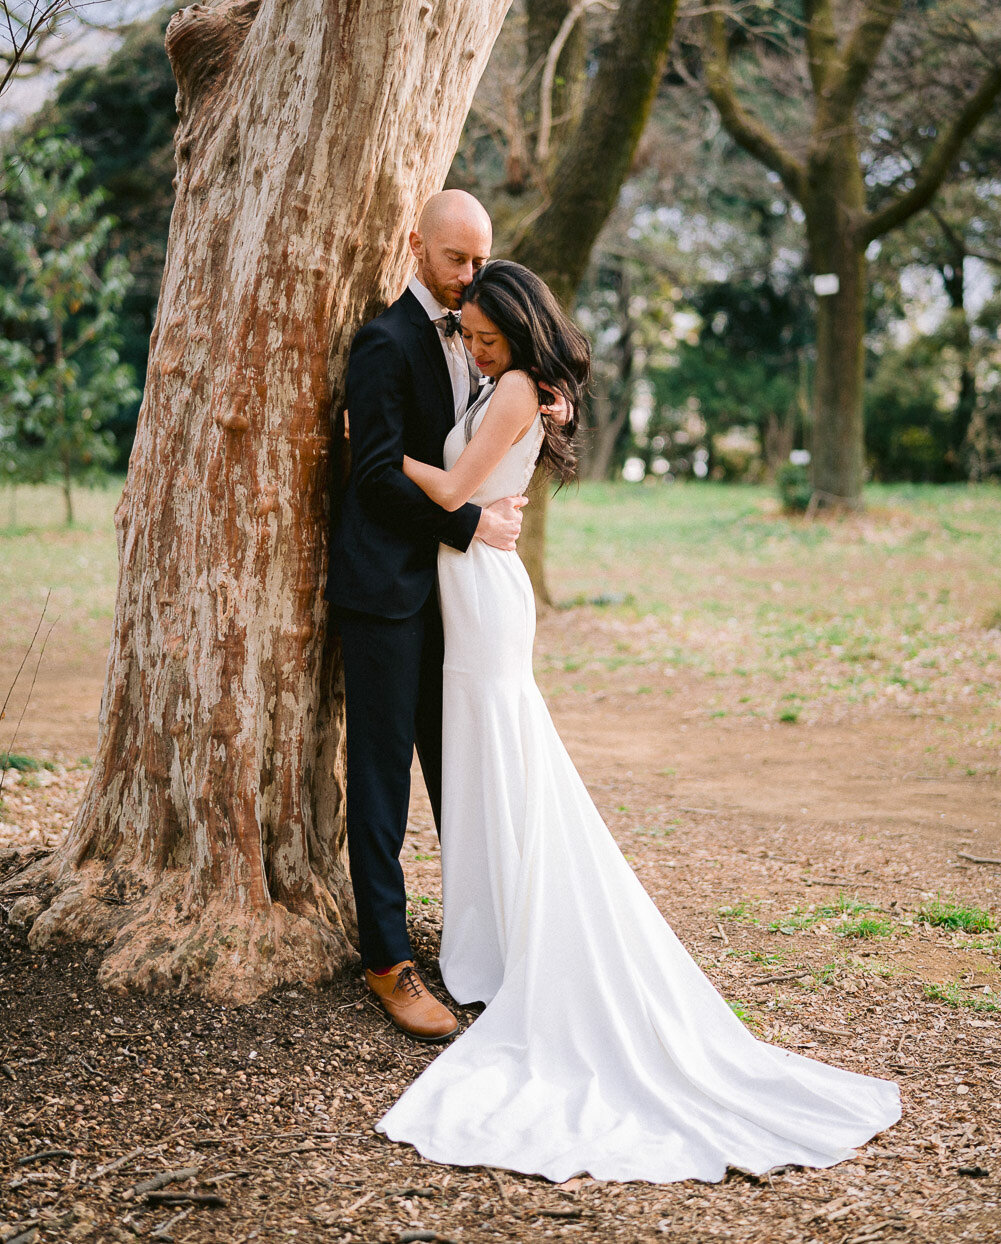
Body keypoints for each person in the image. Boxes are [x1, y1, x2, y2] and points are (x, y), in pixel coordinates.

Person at [375, 257, 901, 1185]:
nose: (477, 343)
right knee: (491, 765)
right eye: (474, 332)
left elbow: (453, 493)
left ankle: (506, 942)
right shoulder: (518, 384)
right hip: (471, 590)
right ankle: (489, 933)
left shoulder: (516, 391)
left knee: (502, 755)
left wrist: (380, 457)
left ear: (523, 334)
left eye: (490, 336)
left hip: (483, 596)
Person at [326, 191, 525, 1044]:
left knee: (463, 770)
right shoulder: (382, 342)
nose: (470, 275)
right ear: (416, 247)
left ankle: (479, 941)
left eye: (481, 259)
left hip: (459, 600)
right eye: (455, 259)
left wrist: (542, 408)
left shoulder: (485, 347)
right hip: (385, 592)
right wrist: (468, 522)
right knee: (379, 780)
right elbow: (371, 474)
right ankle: (387, 956)